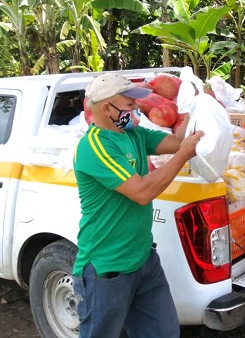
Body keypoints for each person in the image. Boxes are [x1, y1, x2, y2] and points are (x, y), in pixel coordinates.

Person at [72, 73, 204, 337]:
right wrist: (183, 156)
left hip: (144, 261)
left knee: (164, 333)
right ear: (107, 108)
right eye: (129, 104)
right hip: (107, 271)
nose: (136, 109)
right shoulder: (95, 147)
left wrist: (196, 106)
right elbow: (142, 192)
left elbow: (176, 142)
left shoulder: (133, 134)